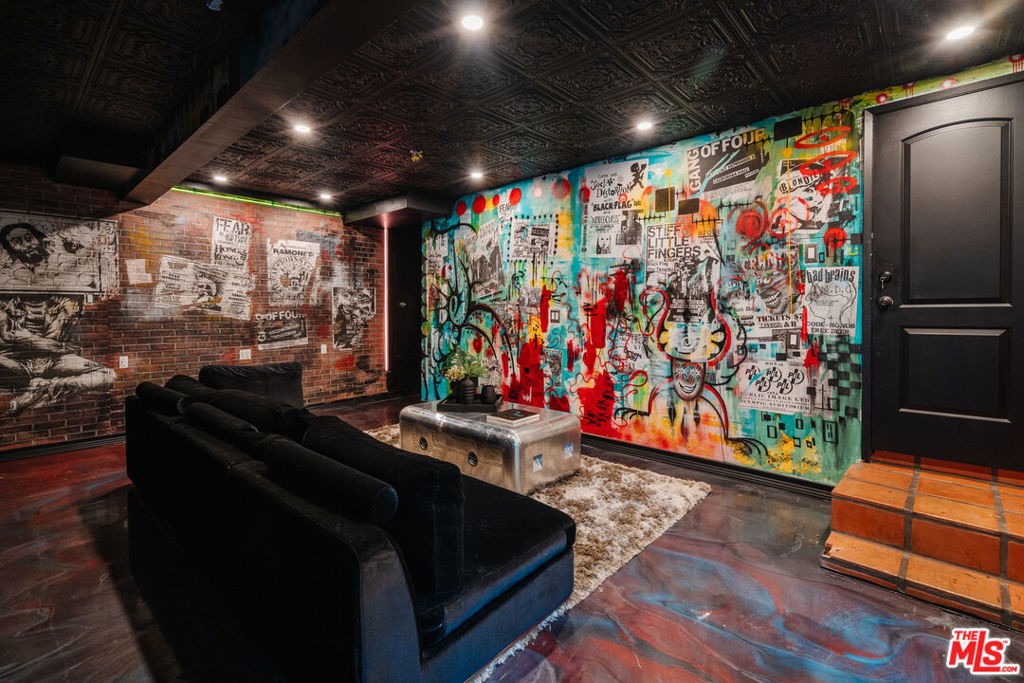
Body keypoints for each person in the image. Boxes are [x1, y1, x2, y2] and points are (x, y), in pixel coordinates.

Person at [0, 294, 115, 415]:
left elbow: (21, 338)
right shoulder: (5, 305)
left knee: (108, 376)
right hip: (16, 362)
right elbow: (11, 337)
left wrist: (53, 384)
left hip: (54, 359)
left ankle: (44, 387)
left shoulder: (65, 303)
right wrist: (62, 347)